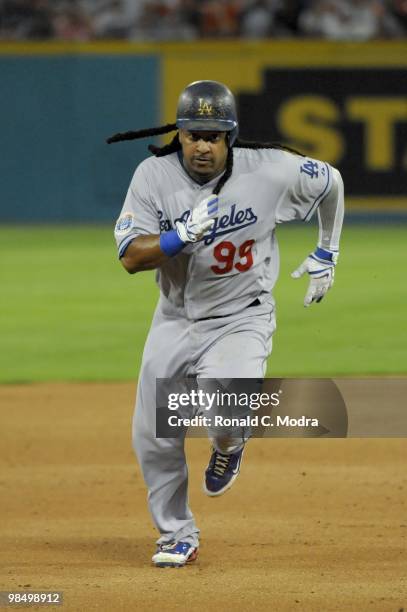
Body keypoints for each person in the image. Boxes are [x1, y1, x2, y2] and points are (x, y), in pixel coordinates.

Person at [109, 80, 344, 568]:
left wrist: (327, 250)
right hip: (174, 320)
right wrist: (178, 237)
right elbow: (131, 257)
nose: (202, 145)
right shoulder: (152, 176)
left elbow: (331, 183)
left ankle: (229, 444)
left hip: (242, 317)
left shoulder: (271, 171)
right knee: (151, 433)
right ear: (180, 134)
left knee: (225, 411)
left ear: (229, 138)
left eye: (213, 136)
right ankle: (177, 534)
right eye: (194, 134)